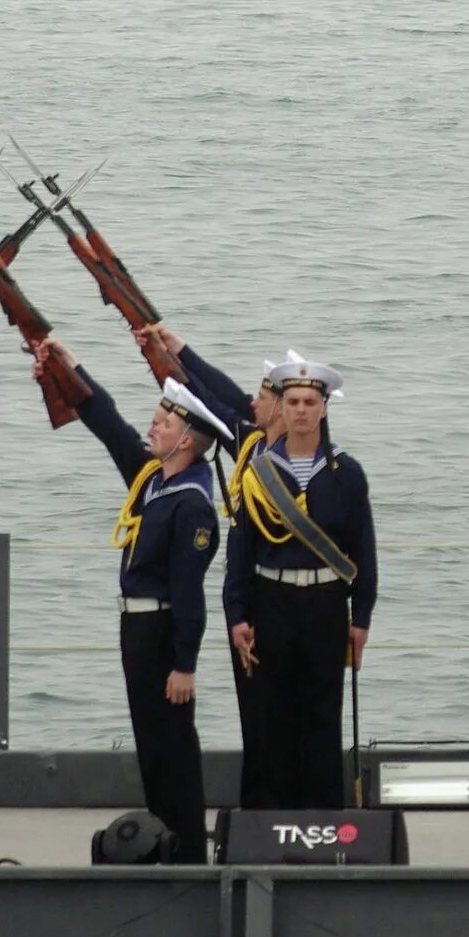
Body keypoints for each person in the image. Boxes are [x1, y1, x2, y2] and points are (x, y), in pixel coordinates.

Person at [39, 337, 229, 864]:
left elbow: (190, 595)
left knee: (173, 749)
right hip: (137, 630)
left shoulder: (191, 505)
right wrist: (68, 364)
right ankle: (160, 843)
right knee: (151, 745)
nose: (153, 430)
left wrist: (185, 664)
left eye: (163, 425)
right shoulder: (153, 481)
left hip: (164, 632)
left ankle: (187, 850)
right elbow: (110, 425)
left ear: (187, 440)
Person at [217, 351, 376, 810]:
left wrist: (360, 617)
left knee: (324, 719)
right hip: (272, 601)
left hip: (326, 603)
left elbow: (363, 550)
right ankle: (274, 826)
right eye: (293, 402)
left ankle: (325, 829)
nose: (301, 410)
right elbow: (240, 552)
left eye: (310, 402)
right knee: (275, 719)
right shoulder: (258, 472)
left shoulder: (346, 473)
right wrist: (237, 615)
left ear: (324, 409)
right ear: (281, 409)